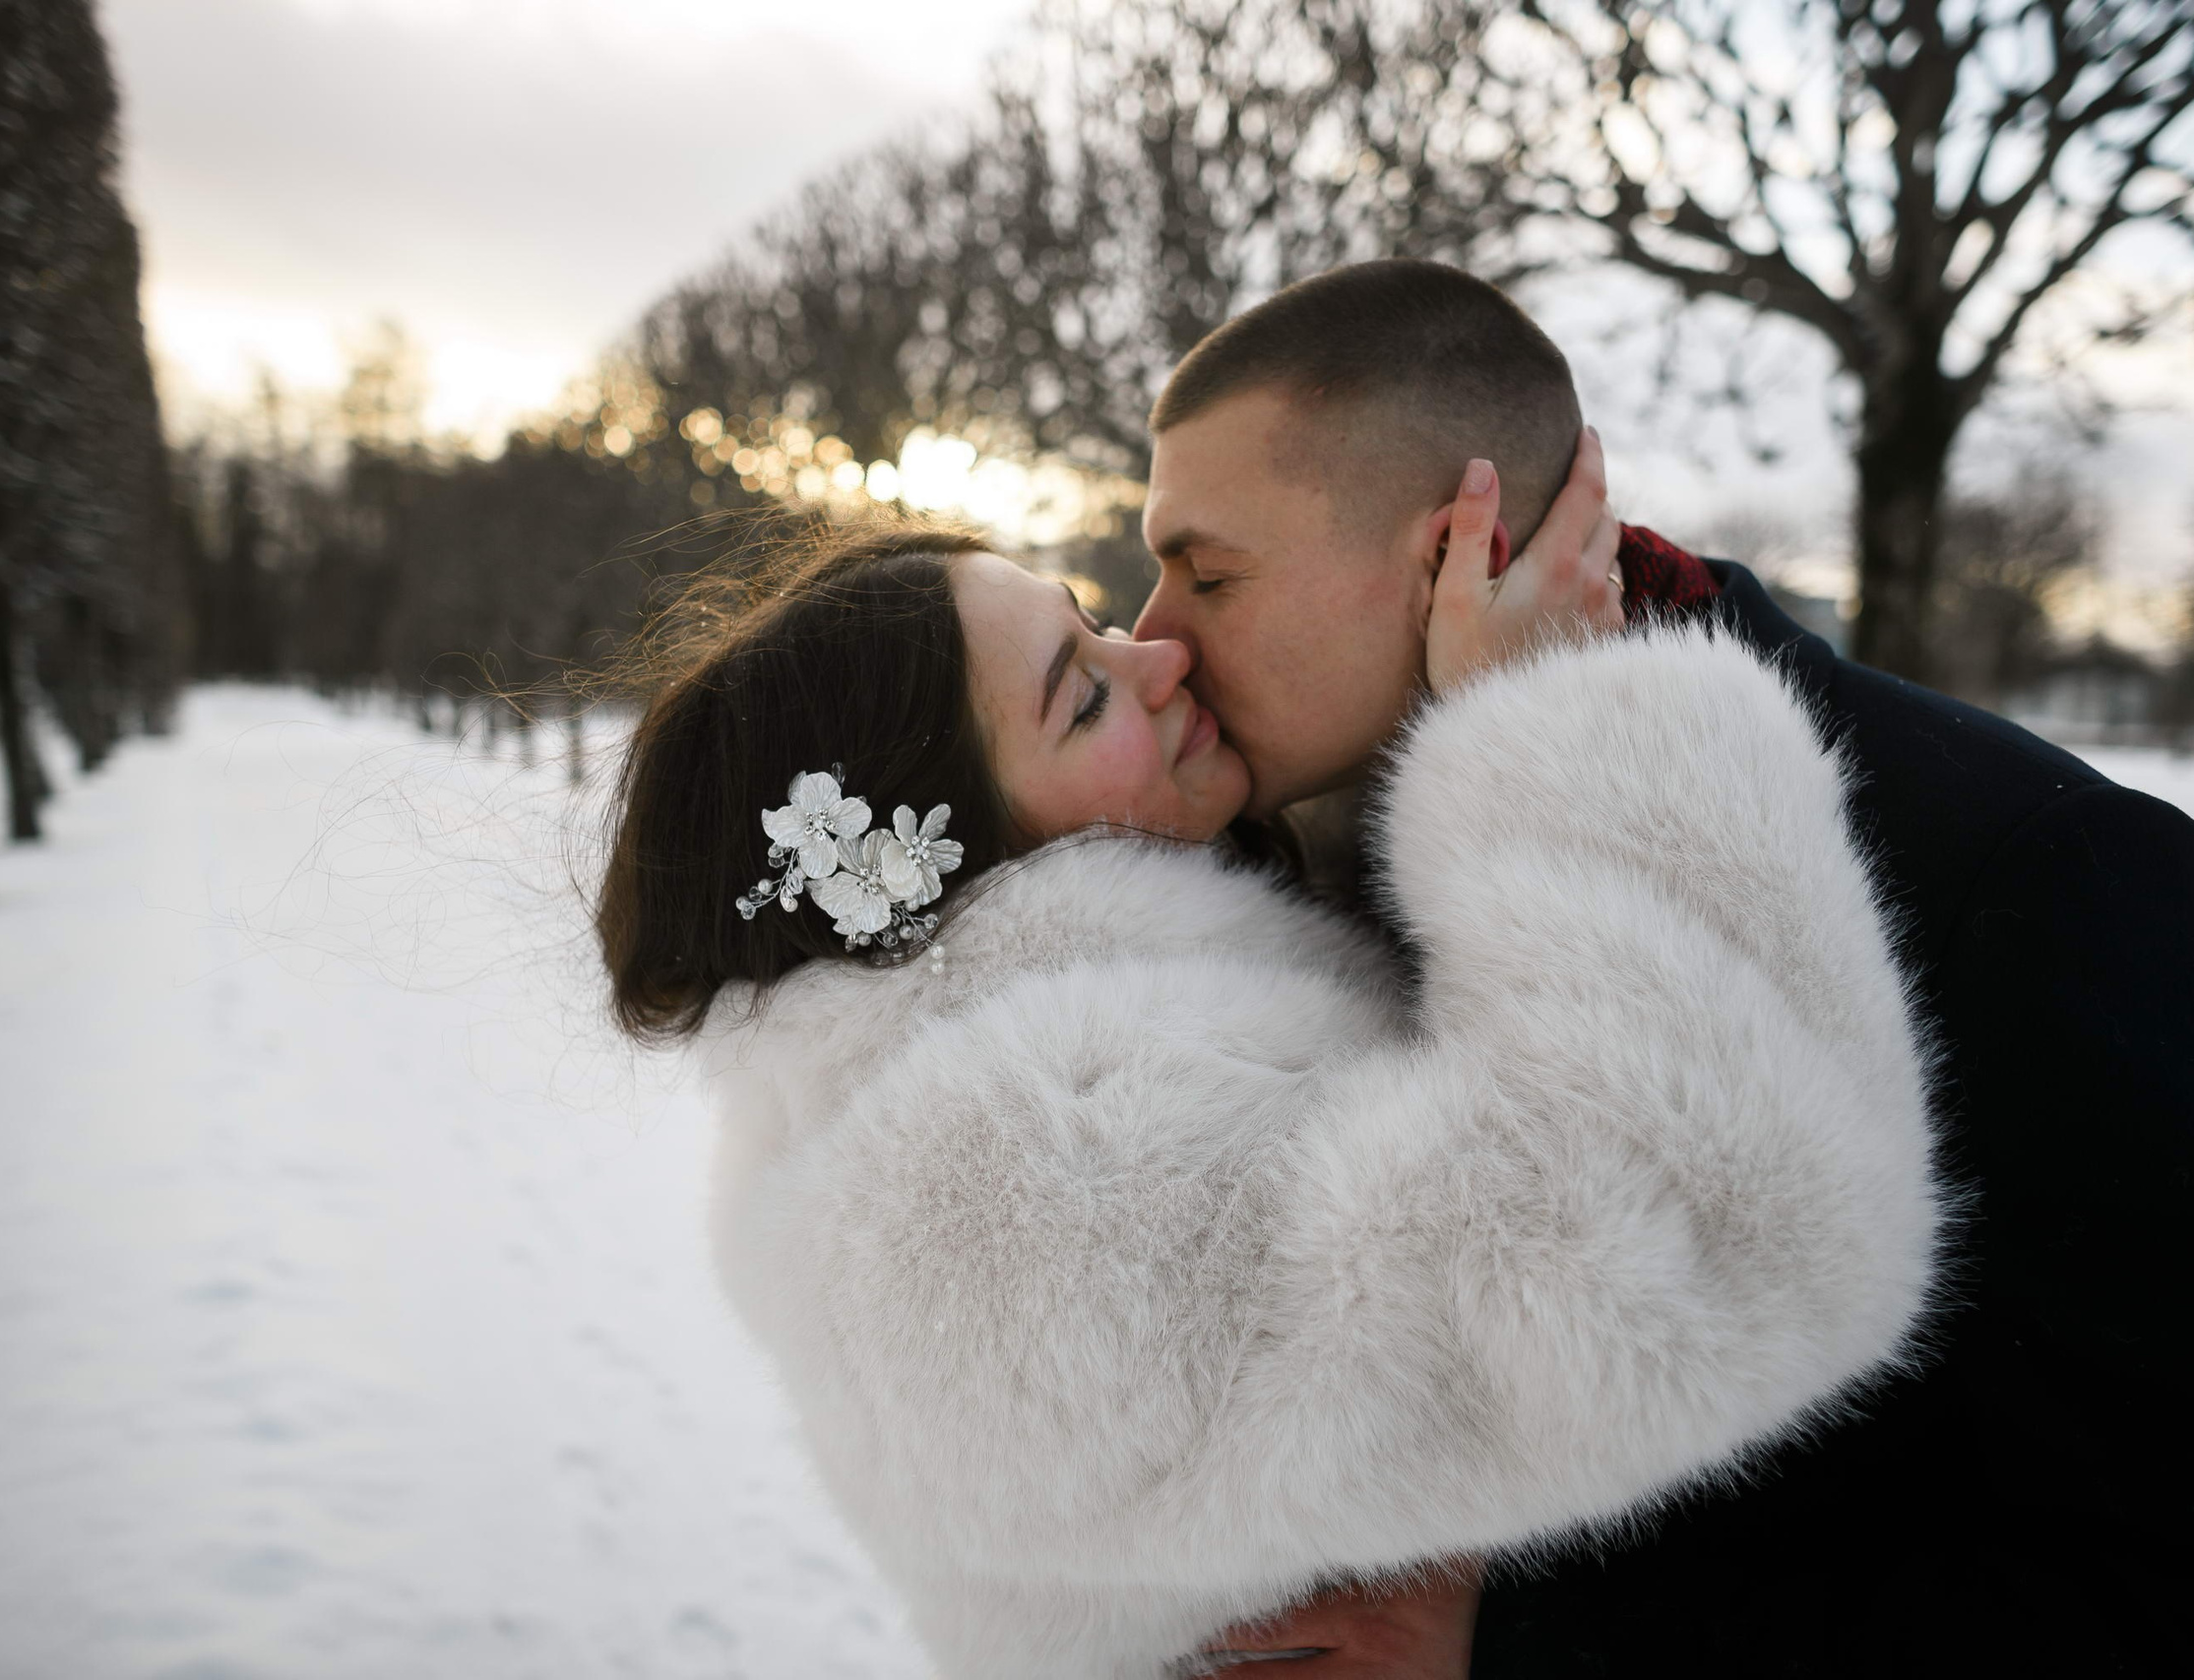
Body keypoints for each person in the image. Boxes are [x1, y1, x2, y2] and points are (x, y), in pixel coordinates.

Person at [1140, 259, 2194, 1676]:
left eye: (1206, 572)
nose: (1153, 635)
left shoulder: (2033, 870)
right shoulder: (1277, 867)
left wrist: (1545, 1640)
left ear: (1452, 556)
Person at [595, 464, 1943, 1676]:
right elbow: (1715, 1248)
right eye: (1083, 696)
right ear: (965, 864)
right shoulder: (1029, 1171)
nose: (1160, 656)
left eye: (1095, 620)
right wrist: (1558, 715)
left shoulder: (928, 1088)